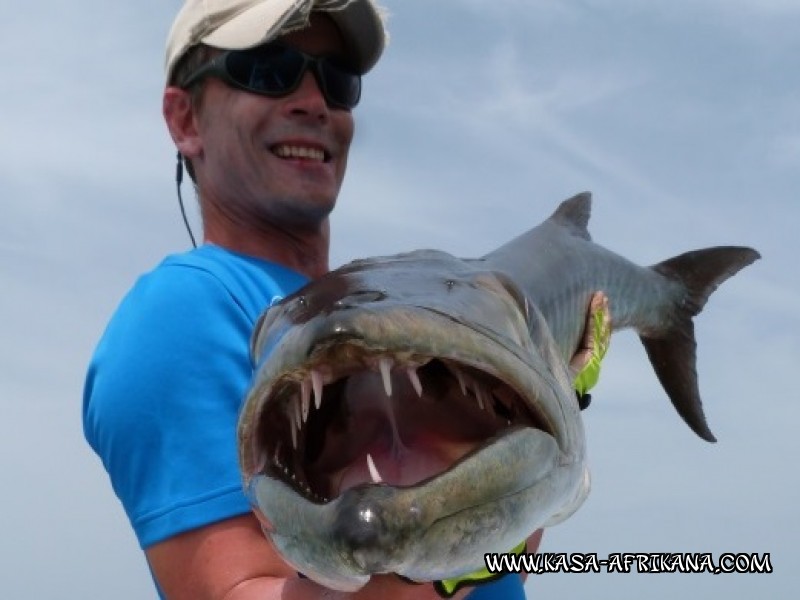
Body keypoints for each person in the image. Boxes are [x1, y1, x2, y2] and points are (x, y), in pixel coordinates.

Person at [83, 1, 608, 598]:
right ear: (184, 120)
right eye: (267, 68)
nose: (313, 101)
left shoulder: (376, 299)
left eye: (337, 80)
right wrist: (463, 565)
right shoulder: (177, 314)